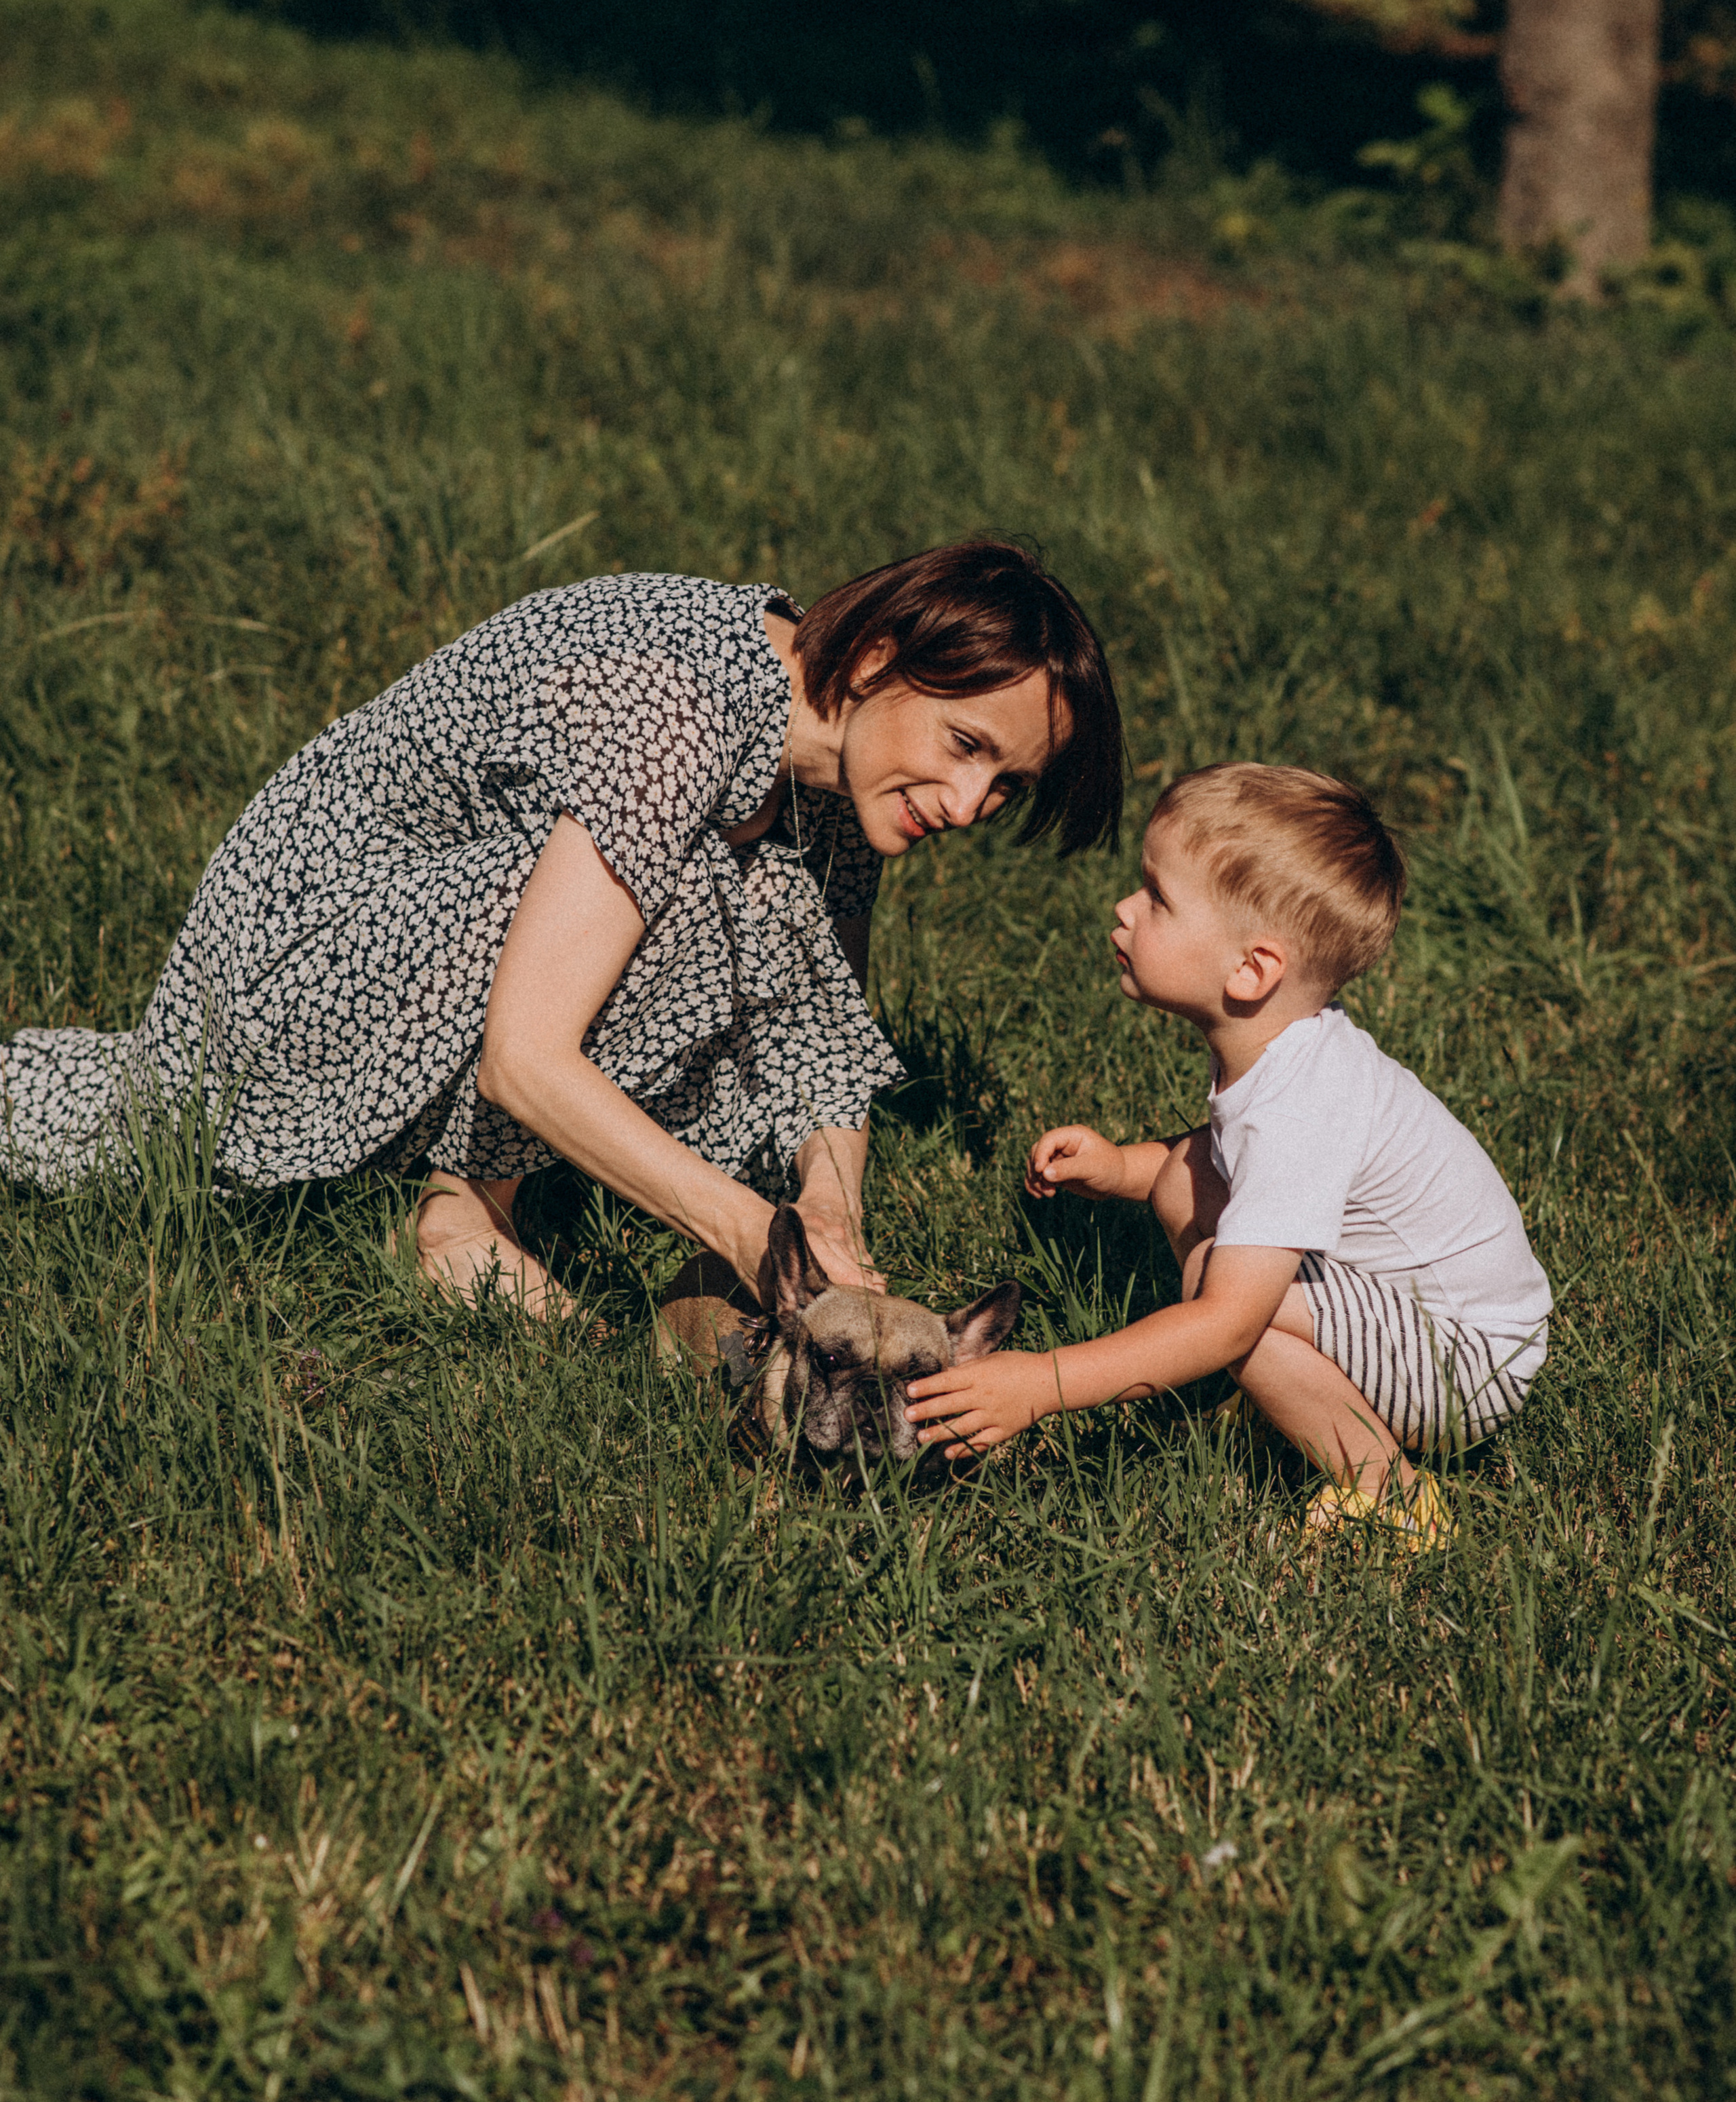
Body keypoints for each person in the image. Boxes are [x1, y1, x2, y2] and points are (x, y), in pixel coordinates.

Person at [2, 541, 1122, 1316]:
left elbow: (818, 1037)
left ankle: (467, 1201)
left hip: (433, 956)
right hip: (297, 969)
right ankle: (461, 1220)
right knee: (690, 888)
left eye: (1006, 789)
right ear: (880, 659)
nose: (970, 806)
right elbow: (526, 1060)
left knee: (760, 907)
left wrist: (832, 1208)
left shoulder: (834, 764)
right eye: (969, 747)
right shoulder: (682, 706)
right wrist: (754, 1235)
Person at [907, 762, 1551, 1530]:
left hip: (1463, 1365)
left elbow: (1228, 1319)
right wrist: (1122, 1168)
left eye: (1157, 898)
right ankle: (1286, 1399)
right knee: (1181, 1179)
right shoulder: (1285, 1053)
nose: (1124, 909)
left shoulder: (1304, 1104)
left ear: (1251, 969)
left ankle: (1388, 1489)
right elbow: (1215, 1159)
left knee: (1227, 1306)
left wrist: (1040, 1384)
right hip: (1420, 1326)